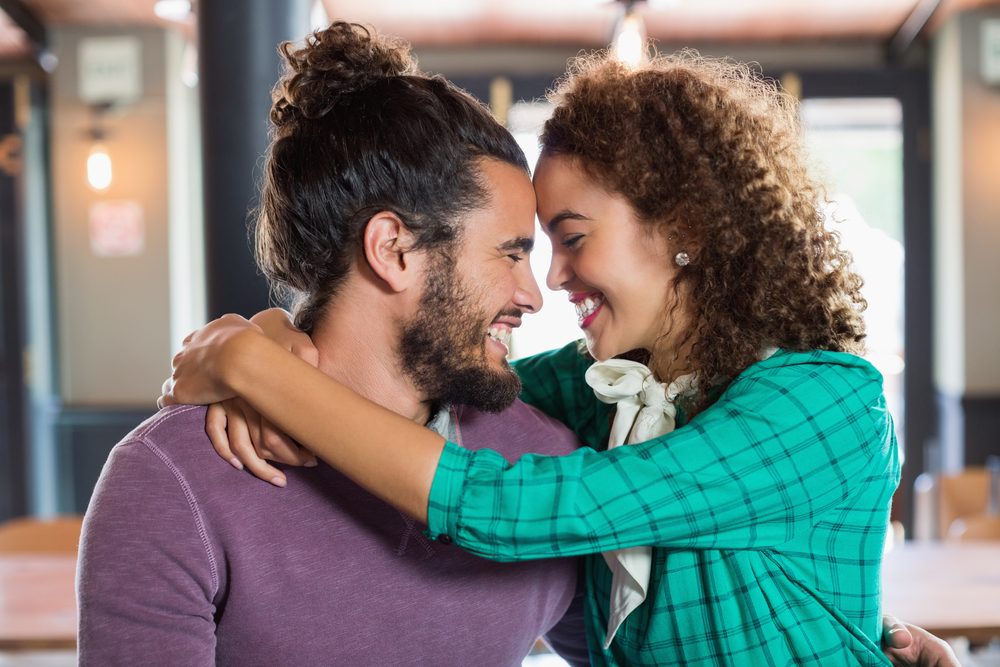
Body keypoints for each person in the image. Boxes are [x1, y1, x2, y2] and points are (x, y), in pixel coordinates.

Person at [164, 40, 960, 667]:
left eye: (571, 238)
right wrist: (270, 334)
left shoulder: (825, 400)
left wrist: (254, 369)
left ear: (683, 225)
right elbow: (425, 375)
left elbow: (505, 506)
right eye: (531, 247)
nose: (550, 279)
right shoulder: (607, 388)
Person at [77, 23, 590, 666]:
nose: (533, 295)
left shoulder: (544, 460)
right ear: (392, 249)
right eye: (510, 254)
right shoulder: (172, 478)